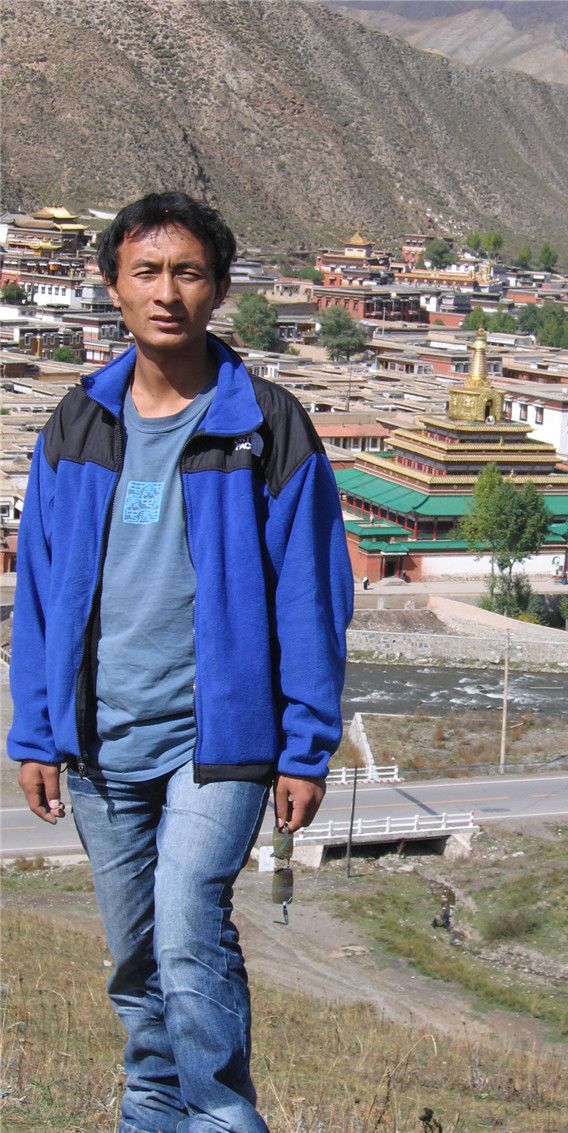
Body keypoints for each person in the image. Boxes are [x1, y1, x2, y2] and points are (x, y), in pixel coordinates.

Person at [8, 192, 353, 1133]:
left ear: (220, 288)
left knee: (190, 929)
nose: (168, 292)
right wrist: (35, 729)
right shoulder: (76, 424)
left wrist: (306, 746)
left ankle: (221, 1118)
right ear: (113, 287)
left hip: (221, 742)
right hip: (100, 742)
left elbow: (312, 595)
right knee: (136, 961)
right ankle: (149, 1114)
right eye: (147, 272)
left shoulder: (266, 427)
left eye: (189, 272)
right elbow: (39, 588)